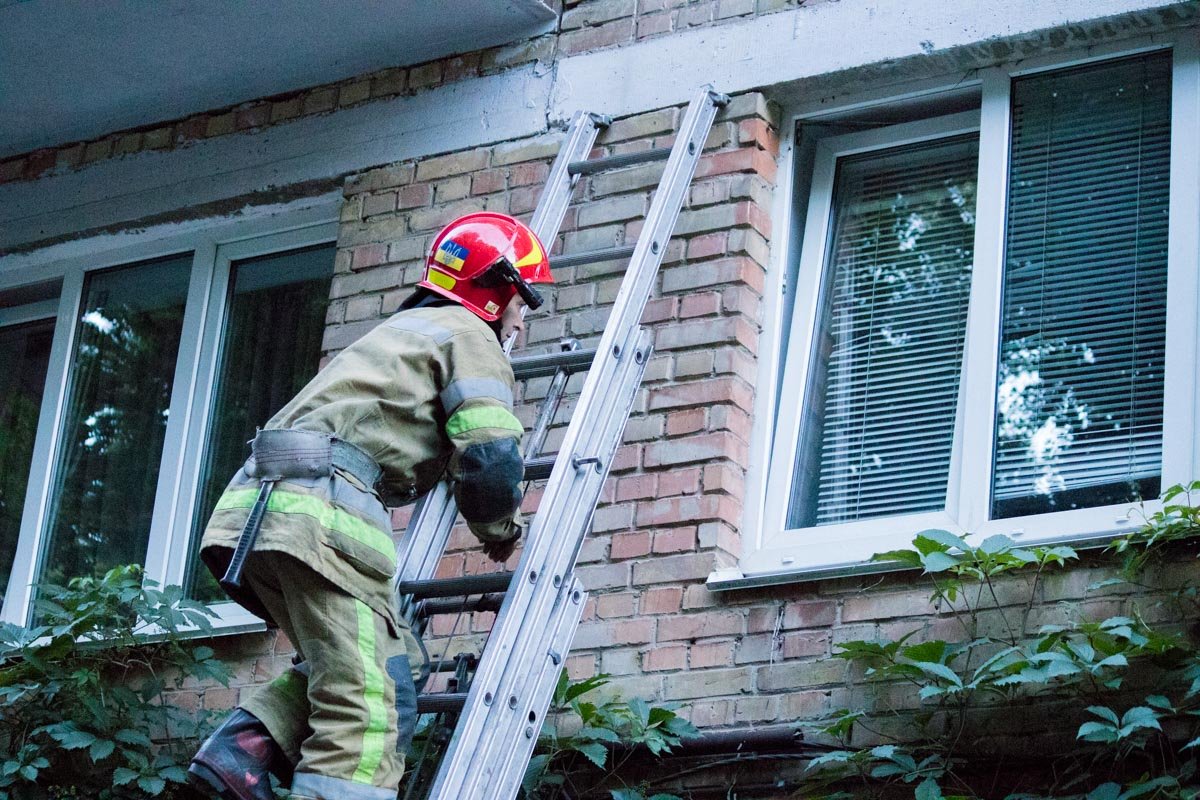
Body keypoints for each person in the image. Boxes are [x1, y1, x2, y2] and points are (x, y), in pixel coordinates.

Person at [187, 212, 553, 800]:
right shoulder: (469, 336)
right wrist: (502, 531)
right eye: (522, 302)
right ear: (498, 291)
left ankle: (244, 751)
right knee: (369, 705)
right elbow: (489, 460)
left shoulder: (397, 335)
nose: (521, 319)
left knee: (389, 661)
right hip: (321, 515)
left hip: (256, 512)